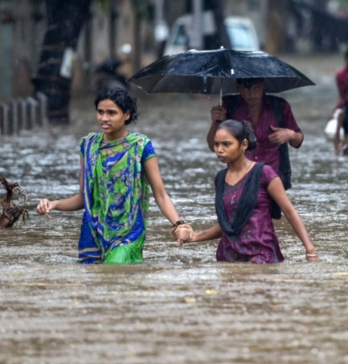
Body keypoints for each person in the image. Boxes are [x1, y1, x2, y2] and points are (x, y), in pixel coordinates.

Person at [36, 87, 189, 264]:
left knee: (115, 269)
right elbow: (83, 197)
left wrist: (179, 224)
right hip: (93, 231)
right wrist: (53, 204)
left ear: (126, 115)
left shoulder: (140, 146)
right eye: (100, 112)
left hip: (129, 231)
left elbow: (160, 194)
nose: (104, 118)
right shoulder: (88, 146)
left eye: (111, 113)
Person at [175, 120, 320, 263]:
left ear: (243, 144)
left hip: (262, 258)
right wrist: (194, 236)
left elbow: (289, 212)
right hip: (227, 259)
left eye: (226, 144)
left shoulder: (264, 173)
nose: (219, 150)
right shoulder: (220, 178)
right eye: (216, 144)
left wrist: (310, 250)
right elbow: (229, 224)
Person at [207, 78, 303, 218]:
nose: (252, 95)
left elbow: (298, 141)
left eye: (257, 88)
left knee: (270, 222)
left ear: (264, 86)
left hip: (272, 180)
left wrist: (290, 134)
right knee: (238, 221)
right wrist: (215, 122)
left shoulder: (279, 106)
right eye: (247, 89)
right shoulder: (228, 105)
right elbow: (212, 146)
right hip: (240, 178)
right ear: (238, 88)